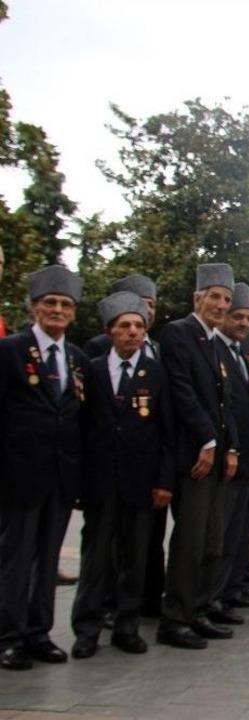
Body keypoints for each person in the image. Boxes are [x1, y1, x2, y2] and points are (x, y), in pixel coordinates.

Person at [71, 292, 173, 659]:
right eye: (124, 326)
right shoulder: (92, 370)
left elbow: (166, 432)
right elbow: (80, 430)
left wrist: (164, 481)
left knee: (134, 558)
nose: (132, 332)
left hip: (141, 483)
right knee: (95, 559)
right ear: (109, 331)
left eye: (139, 326)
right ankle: (86, 629)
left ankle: (127, 627)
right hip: (101, 483)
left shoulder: (157, 373)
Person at [0, 265, 88, 670]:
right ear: (34, 307)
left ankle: (39, 632)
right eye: (49, 303)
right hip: (19, 474)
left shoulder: (76, 358)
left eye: (65, 304)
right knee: (15, 559)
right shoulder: (10, 351)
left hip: (60, 475)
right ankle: (9, 637)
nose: (57, 309)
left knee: (48, 558)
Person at [157, 263, 239, 650]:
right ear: (197, 299)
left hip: (215, 454)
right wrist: (208, 441)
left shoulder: (212, 342)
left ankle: (199, 609)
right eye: (215, 297)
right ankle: (175, 619)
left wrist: (229, 447)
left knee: (211, 540)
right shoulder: (179, 334)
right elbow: (182, 393)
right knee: (190, 542)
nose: (221, 305)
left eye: (226, 298)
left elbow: (223, 404)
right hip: (193, 455)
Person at [213, 283, 249, 620]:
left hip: (245, 464)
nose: (244, 322)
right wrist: (231, 449)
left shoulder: (236, 356)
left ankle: (225, 594)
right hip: (224, 461)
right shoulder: (217, 352)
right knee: (216, 539)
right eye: (238, 316)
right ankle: (209, 598)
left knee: (234, 537)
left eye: (248, 317)